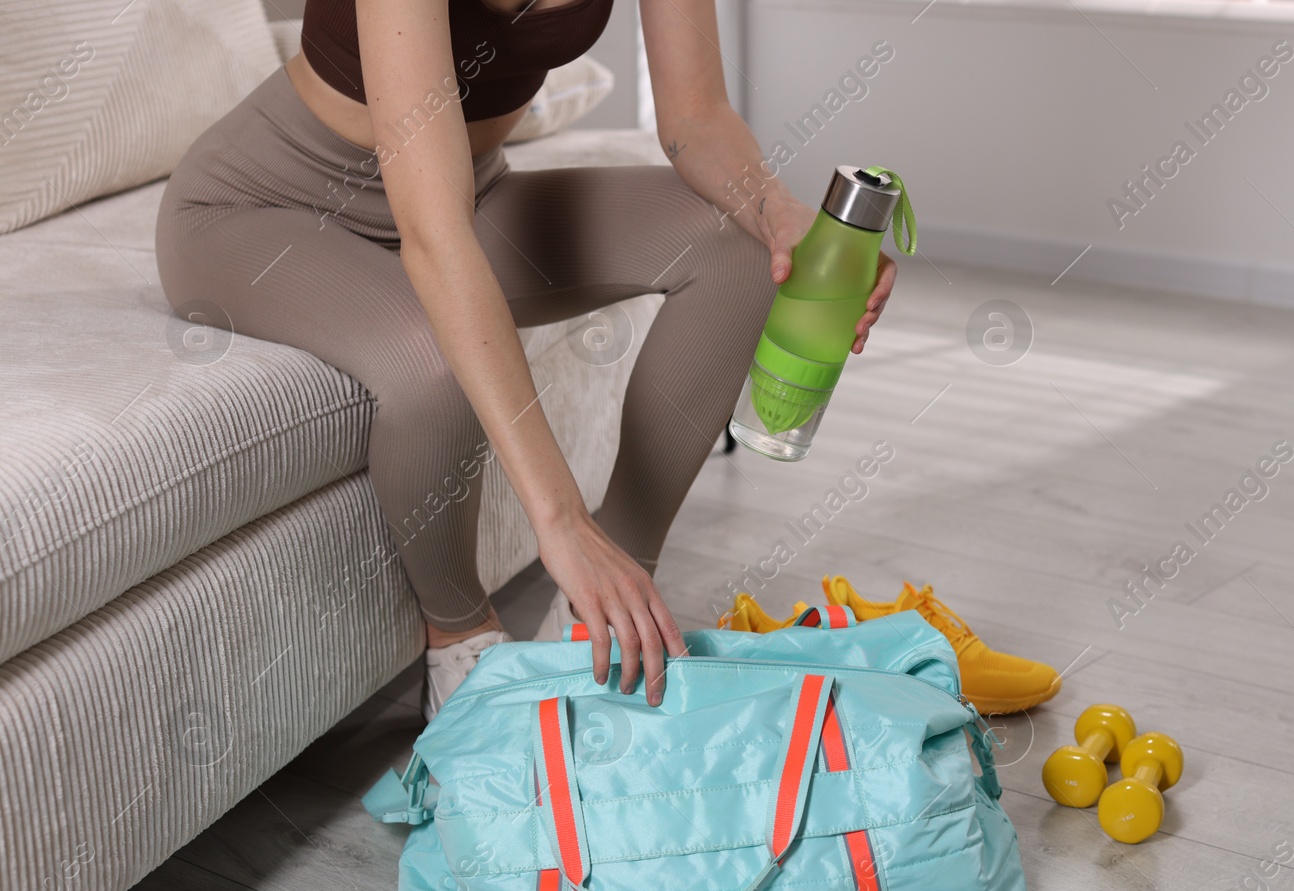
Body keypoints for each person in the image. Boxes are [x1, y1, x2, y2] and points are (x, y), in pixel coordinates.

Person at [154, 0, 897, 716]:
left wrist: (780, 216)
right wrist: (561, 516)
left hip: (466, 197)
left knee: (736, 254)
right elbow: (434, 236)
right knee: (436, 362)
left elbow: (698, 116)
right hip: (264, 211)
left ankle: (601, 616)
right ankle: (459, 641)